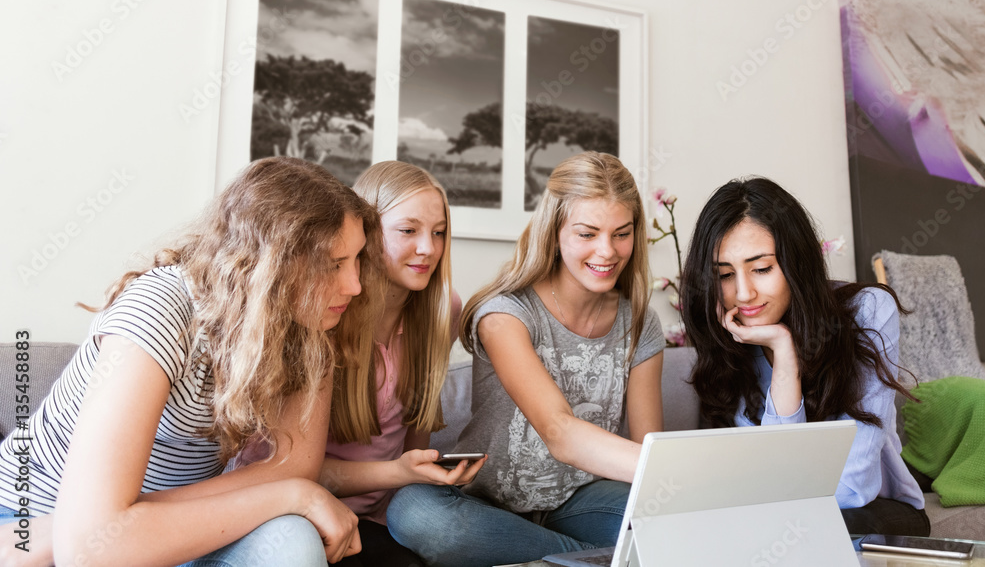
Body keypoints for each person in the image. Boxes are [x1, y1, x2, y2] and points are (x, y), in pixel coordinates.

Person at [0, 157, 386, 567]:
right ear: (267, 265)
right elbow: (92, 551)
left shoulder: (309, 322)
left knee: (293, 540)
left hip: (131, 527)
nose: (355, 285)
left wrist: (128, 521)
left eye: (356, 258)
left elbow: (291, 468)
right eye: (333, 264)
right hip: (27, 521)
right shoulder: (161, 308)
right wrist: (292, 494)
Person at [386, 152, 666, 567]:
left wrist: (677, 486)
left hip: (581, 502)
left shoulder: (640, 321)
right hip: (486, 502)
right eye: (587, 233)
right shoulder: (505, 313)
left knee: (660, 515)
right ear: (554, 232)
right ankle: (590, 560)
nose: (607, 251)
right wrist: (687, 474)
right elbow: (558, 430)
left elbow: (649, 450)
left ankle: (541, 553)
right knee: (416, 513)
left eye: (621, 234)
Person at [680, 177, 928, 536]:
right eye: (725, 275)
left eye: (762, 269)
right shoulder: (729, 341)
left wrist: (786, 350)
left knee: (789, 533)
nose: (744, 293)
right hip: (780, 517)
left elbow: (855, 483)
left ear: (796, 263)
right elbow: (771, 474)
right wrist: (783, 354)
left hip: (874, 510)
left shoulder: (868, 311)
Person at [319, 161, 483, 566]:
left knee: (431, 523)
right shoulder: (327, 315)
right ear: (366, 234)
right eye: (409, 231)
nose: (428, 248)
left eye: (439, 232)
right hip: (312, 511)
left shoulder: (444, 311)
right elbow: (289, 473)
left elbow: (417, 437)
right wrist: (404, 472)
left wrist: (423, 473)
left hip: (387, 512)